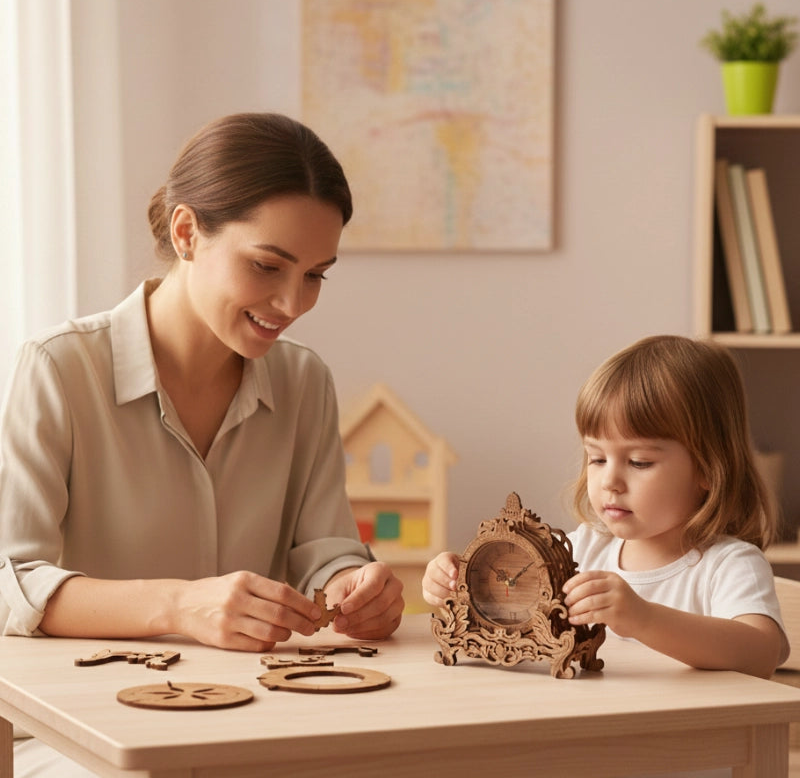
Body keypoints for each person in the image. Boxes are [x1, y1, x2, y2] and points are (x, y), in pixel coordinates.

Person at [2, 111, 404, 776]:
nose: (292, 302)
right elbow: (9, 582)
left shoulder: (304, 380)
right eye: (267, 266)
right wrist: (179, 605)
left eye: (315, 275)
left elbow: (322, 549)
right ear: (187, 233)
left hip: (260, 720)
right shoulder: (59, 368)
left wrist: (355, 588)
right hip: (82, 733)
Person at [423, 335, 788, 680]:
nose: (610, 481)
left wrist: (644, 619)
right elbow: (513, 594)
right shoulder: (583, 550)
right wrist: (459, 582)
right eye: (597, 458)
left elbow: (761, 652)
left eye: (640, 462)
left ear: (707, 469)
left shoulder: (728, 565)